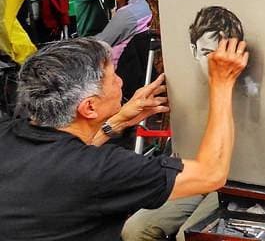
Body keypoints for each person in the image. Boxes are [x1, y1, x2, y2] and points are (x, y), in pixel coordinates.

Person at [0, 36, 248, 240]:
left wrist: (118, 121)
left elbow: (63, 165)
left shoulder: (9, 134)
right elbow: (211, 173)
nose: (121, 81)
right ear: (89, 108)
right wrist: (222, 85)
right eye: (112, 77)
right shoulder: (103, 170)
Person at [95, 0, 152, 66]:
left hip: (123, 69)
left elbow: (102, 43)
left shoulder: (128, 13)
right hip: (147, 64)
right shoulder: (156, 6)